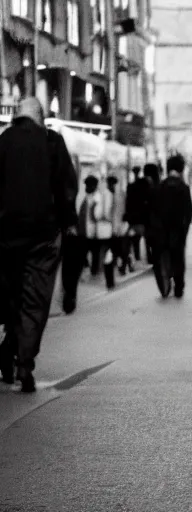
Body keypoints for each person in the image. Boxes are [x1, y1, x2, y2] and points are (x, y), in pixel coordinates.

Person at [0, 97, 78, 391]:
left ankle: (8, 351)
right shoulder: (52, 142)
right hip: (43, 236)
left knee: (11, 297)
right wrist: (68, 222)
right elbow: (65, 187)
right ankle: (24, 364)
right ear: (41, 117)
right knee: (35, 300)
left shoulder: (3, 142)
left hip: (5, 235)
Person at [147, 153, 192, 298]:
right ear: (181, 169)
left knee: (162, 258)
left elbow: (152, 211)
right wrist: (184, 230)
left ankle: (165, 285)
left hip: (161, 231)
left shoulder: (159, 187)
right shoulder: (183, 188)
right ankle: (178, 288)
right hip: (178, 231)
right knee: (178, 259)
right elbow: (188, 212)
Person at [62, 174, 101, 314]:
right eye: (86, 185)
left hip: (87, 236)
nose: (88, 188)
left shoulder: (98, 199)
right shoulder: (79, 198)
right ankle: (69, 295)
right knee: (70, 267)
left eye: (91, 185)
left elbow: (98, 217)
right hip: (74, 236)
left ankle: (71, 295)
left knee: (75, 267)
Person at [107, 174, 131, 275]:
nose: (110, 186)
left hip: (121, 225)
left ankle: (124, 266)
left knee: (122, 248)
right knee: (115, 248)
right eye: (109, 184)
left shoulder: (121, 194)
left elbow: (125, 209)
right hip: (112, 227)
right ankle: (124, 264)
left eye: (111, 184)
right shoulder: (108, 194)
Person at [125, 166, 147, 262]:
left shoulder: (130, 186)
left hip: (134, 217)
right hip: (141, 217)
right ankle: (140, 256)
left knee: (135, 239)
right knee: (139, 238)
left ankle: (137, 256)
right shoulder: (143, 186)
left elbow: (128, 202)